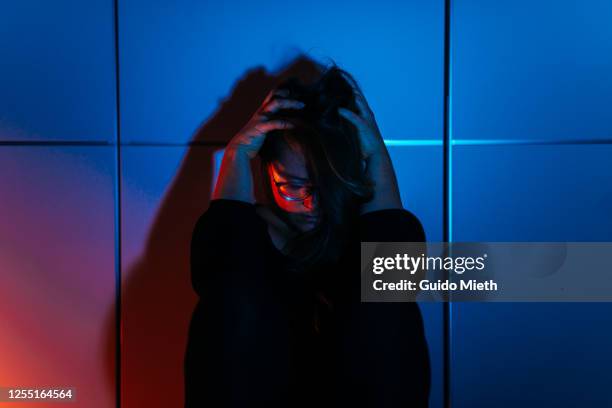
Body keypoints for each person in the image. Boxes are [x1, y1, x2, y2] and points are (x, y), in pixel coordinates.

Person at [184, 65, 430, 407]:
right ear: (265, 169)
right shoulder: (241, 244)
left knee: (388, 287)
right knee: (232, 285)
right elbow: (221, 266)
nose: (313, 203)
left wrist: (376, 154)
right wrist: (235, 154)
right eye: (293, 186)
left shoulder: (364, 239)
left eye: (326, 186)